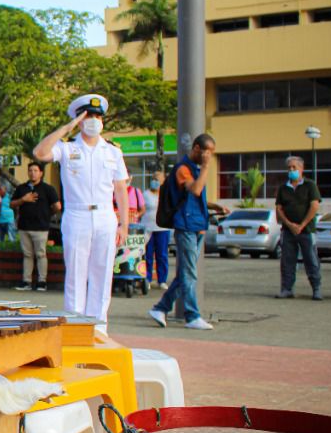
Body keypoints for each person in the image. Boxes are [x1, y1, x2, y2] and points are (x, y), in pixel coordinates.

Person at [32, 94, 129, 335]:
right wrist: (67, 127)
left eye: (97, 116)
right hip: (77, 215)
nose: (93, 120)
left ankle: (99, 329)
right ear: (79, 119)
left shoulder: (112, 152)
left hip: (106, 215)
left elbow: (121, 189)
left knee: (103, 272)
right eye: (88, 116)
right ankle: (74, 327)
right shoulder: (67, 148)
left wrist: (124, 225)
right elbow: (40, 153)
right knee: (76, 273)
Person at [148, 134, 228, 331]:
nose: (209, 156)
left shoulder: (195, 170)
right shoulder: (183, 169)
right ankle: (192, 316)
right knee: (190, 273)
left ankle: (160, 308)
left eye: (212, 153)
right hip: (186, 227)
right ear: (196, 148)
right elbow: (195, 190)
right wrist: (208, 167)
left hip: (196, 225)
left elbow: (197, 198)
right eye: (207, 151)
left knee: (186, 273)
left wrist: (215, 206)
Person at [275, 155, 322, 300]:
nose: (291, 170)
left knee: (311, 260)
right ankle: (287, 289)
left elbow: (314, 206)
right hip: (288, 231)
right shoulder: (283, 188)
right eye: (289, 168)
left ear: (301, 169)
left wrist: (301, 225)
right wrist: (289, 224)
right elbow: (278, 208)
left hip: (306, 231)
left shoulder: (310, 185)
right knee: (287, 261)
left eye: (294, 167)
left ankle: (316, 289)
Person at [11, 161, 60, 292]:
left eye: (35, 170)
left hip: (41, 227)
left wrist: (46, 214)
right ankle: (26, 281)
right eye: (30, 170)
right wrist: (23, 200)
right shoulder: (21, 188)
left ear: (41, 173)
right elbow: (12, 204)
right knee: (27, 255)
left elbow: (57, 206)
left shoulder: (48, 189)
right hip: (24, 227)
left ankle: (41, 281)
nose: (33, 173)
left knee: (40, 254)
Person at [142, 171, 170, 289]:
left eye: (158, 179)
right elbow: (141, 208)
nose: (155, 181)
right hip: (148, 228)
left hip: (162, 228)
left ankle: (162, 280)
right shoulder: (145, 194)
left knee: (162, 255)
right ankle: (147, 279)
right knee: (148, 254)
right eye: (153, 178)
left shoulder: (166, 194)